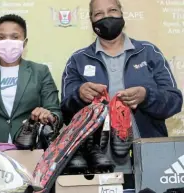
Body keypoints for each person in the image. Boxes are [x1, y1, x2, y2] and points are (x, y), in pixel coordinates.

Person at [61, 0, 183, 188]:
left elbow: (174, 101)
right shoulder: (78, 60)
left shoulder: (148, 52)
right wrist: (79, 95)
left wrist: (146, 96)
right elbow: (66, 113)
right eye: (99, 14)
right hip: (96, 163)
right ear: (91, 20)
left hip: (149, 159)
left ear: (121, 13)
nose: (107, 17)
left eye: (112, 10)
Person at [0, 14, 63, 144]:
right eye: (1, 37)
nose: (8, 42)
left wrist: (49, 116)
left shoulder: (40, 72)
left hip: (30, 148)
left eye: (15, 37)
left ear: (24, 42)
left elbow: (56, 113)